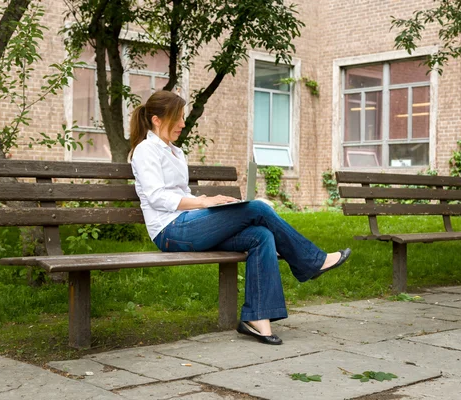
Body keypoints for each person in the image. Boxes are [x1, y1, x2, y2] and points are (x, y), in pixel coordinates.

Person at [129, 90, 351, 345]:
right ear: (157, 120)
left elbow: (182, 195)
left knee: (261, 235)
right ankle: (313, 260)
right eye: (177, 118)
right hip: (169, 232)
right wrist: (204, 202)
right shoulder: (146, 150)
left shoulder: (175, 152)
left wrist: (214, 207)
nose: (182, 124)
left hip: (187, 224)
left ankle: (257, 319)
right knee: (258, 208)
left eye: (182, 117)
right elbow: (157, 197)